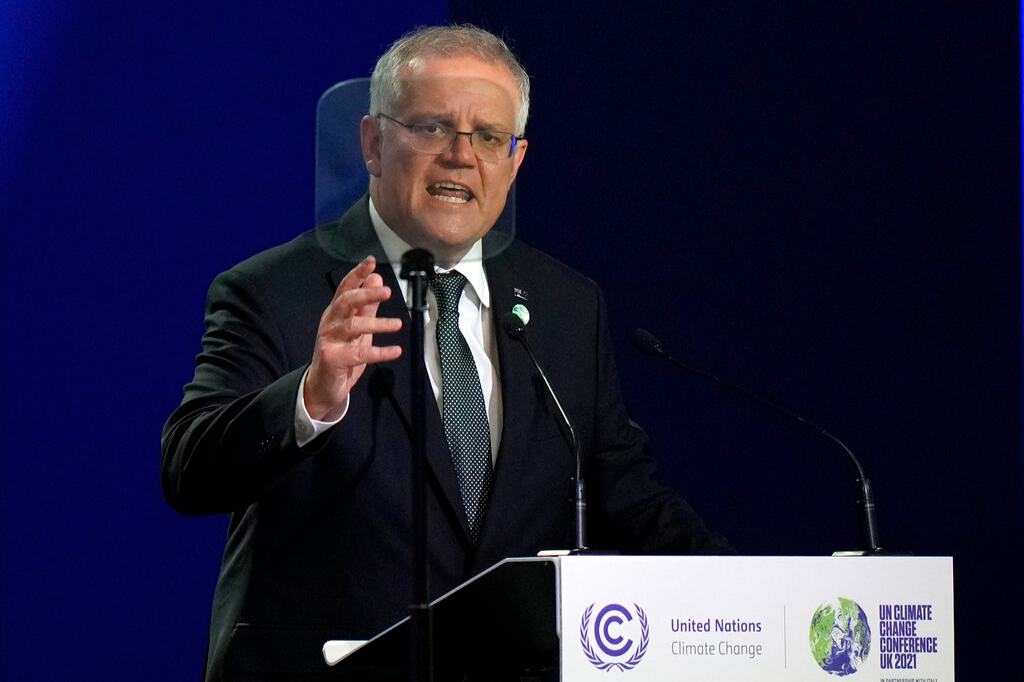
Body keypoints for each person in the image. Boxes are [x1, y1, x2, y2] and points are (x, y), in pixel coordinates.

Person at [162, 24, 732, 681]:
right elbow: (188, 471)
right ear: (374, 143)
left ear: (515, 161)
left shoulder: (565, 304)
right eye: (434, 127)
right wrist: (310, 398)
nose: (462, 155)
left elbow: (624, 495)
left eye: (488, 136)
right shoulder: (274, 291)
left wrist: (752, 597)